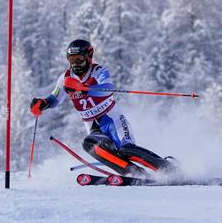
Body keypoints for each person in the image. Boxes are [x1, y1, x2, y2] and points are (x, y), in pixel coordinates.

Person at [30, 39, 175, 176]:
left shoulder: (98, 71)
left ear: (89, 56)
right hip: (93, 126)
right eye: (72, 60)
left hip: (112, 119)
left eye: (79, 59)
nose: (76, 64)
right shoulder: (65, 78)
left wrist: (84, 88)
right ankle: (135, 173)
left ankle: (168, 169)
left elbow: (107, 88)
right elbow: (55, 99)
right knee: (91, 145)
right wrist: (42, 104)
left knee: (126, 150)